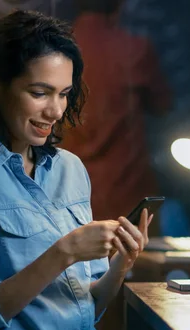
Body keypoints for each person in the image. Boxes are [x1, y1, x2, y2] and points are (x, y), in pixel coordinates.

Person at [0, 10, 152, 330]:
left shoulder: (70, 168)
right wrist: (65, 251)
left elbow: (89, 310)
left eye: (64, 94)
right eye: (40, 92)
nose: (56, 110)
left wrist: (121, 265)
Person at [63, 0, 172, 223]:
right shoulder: (135, 49)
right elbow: (164, 105)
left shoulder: (55, 52)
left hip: (69, 194)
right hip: (128, 195)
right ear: (120, 4)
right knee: (136, 255)